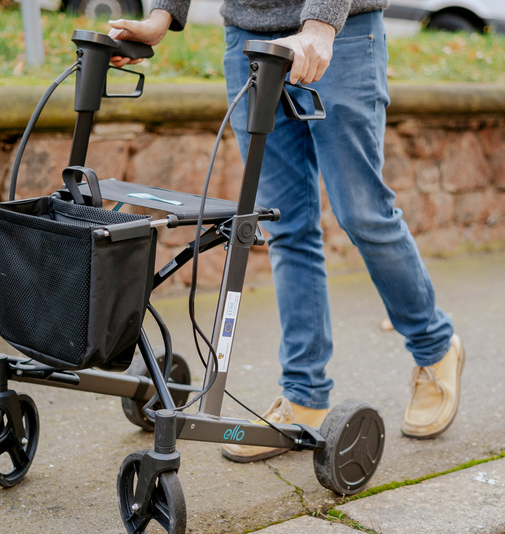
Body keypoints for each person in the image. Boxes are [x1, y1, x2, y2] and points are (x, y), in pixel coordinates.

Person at [108, 0, 465, 462]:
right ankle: (305, 396)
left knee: (363, 213)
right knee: (285, 225)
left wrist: (321, 23)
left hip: (342, 33)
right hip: (249, 39)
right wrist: (161, 16)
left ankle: (436, 347)